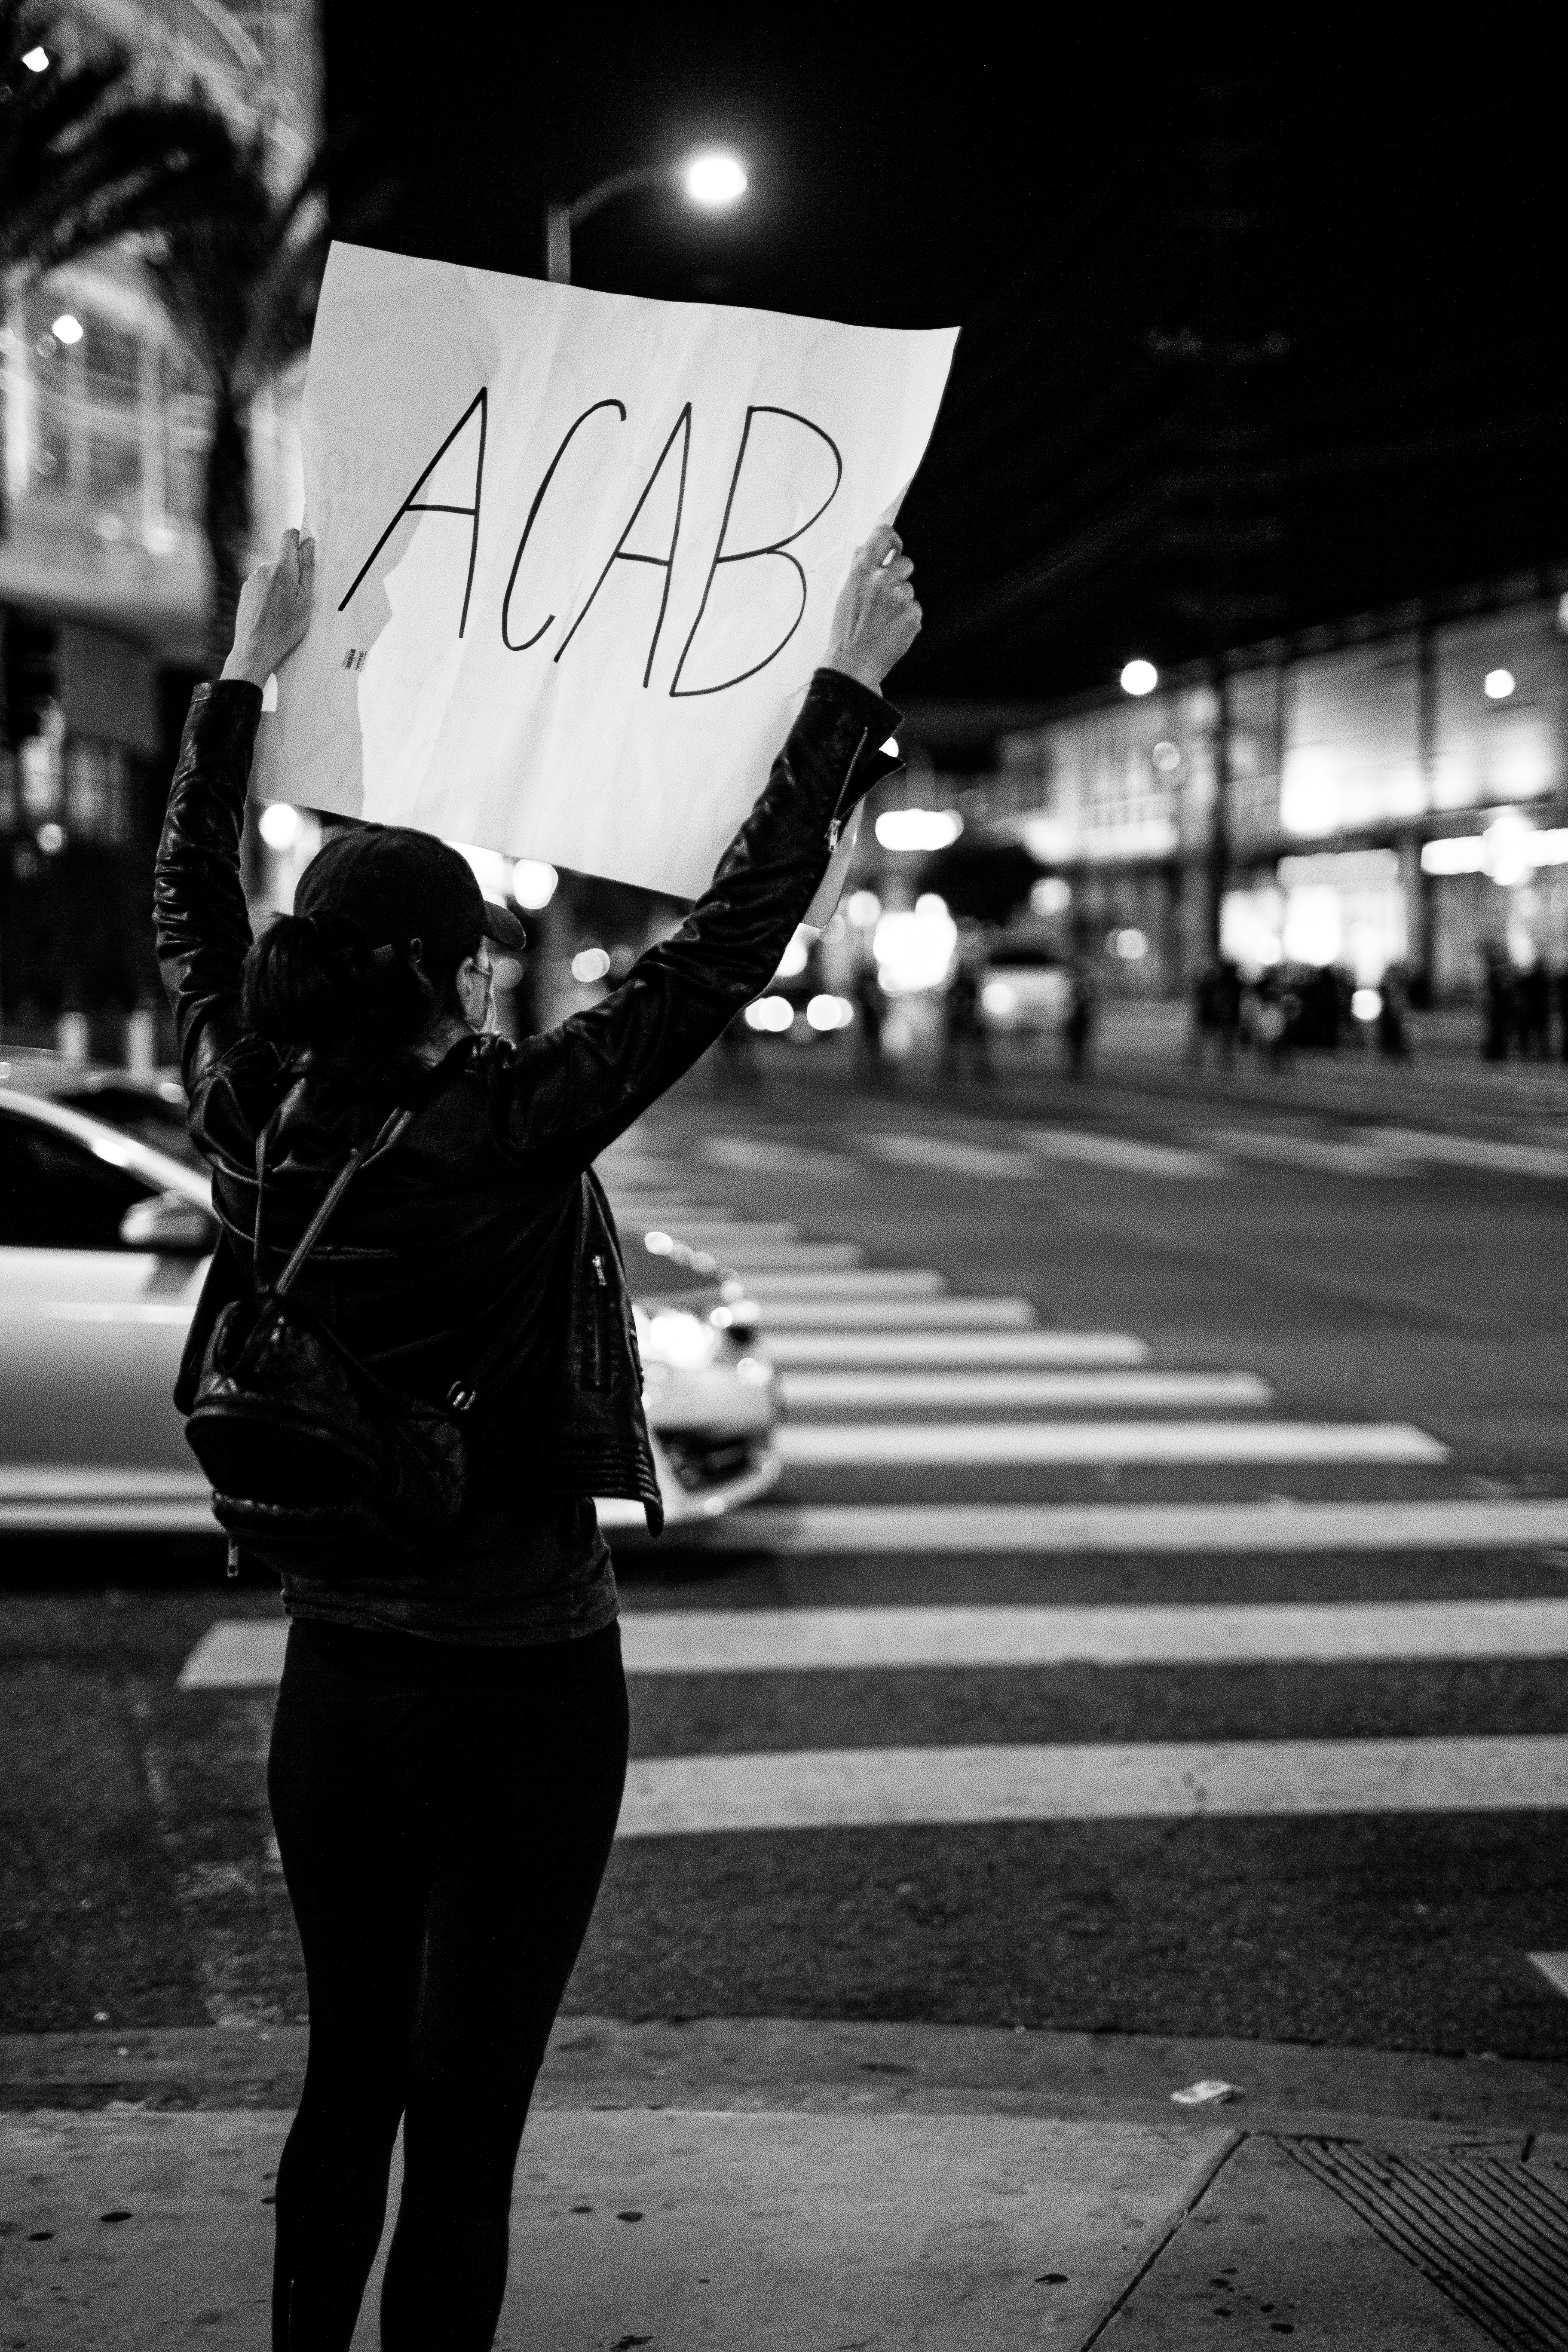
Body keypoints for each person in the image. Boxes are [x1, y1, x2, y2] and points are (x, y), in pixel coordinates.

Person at [154, 522, 919, 2352]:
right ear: (438, 975)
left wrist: (243, 682)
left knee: (348, 2081)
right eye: (482, 957)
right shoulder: (508, 1133)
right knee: (468, 2130)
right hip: (521, 1682)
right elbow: (725, 946)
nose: (500, 980)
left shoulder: (244, 1106)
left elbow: (187, 910)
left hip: (338, 1682)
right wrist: (845, 690)